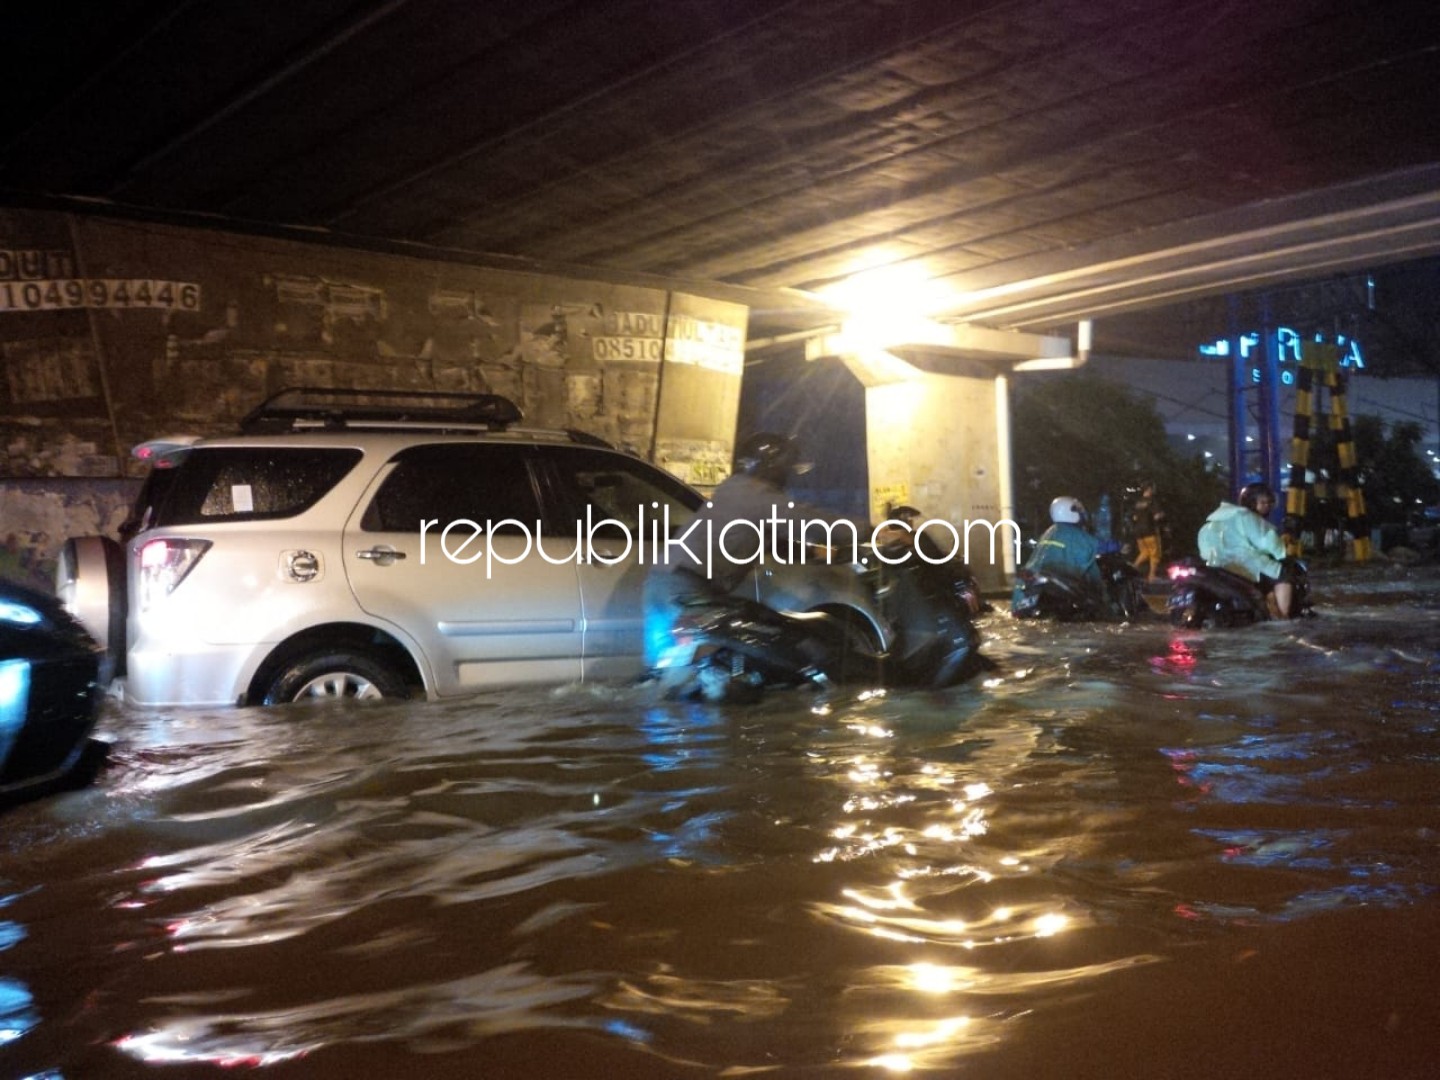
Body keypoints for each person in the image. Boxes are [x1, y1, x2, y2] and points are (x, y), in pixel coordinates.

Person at [642, 432, 847, 667]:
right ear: (774, 468)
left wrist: (815, 553)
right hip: (688, 591)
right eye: (786, 468)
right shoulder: (757, 495)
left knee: (667, 672)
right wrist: (874, 533)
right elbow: (810, 520)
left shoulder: (732, 491)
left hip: (660, 585)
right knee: (709, 669)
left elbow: (769, 542)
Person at [1196, 482, 1293, 618]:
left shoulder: (1217, 517)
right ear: (1251, 503)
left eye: (1268, 502)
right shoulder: (1247, 516)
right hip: (1242, 562)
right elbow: (1266, 541)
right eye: (1262, 502)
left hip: (1214, 563)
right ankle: (1283, 618)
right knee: (1282, 574)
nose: (1267, 506)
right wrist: (1281, 552)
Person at [1012, 495, 1104, 612]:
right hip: (1056, 585)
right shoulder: (1076, 534)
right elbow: (1098, 546)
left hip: (1030, 588)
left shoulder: (1050, 531)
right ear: (1071, 513)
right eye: (1078, 511)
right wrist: (1120, 546)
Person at [1129, 481, 1166, 582]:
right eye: (1152, 488)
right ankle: (1152, 576)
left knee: (1144, 552)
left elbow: (1134, 517)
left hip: (1138, 532)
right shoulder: (1152, 501)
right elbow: (1157, 516)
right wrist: (1162, 514)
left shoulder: (1138, 503)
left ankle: (1132, 568)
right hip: (1150, 531)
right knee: (1155, 554)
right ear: (1149, 489)